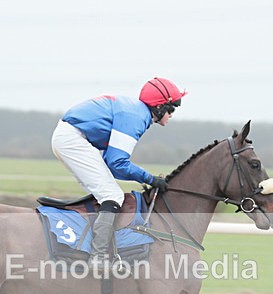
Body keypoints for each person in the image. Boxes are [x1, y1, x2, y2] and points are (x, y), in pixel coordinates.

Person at [51, 77, 187, 267]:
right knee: (111, 195)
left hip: (70, 137)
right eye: (171, 108)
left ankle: (90, 244)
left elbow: (112, 164)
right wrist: (150, 179)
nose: (172, 114)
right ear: (159, 107)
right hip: (72, 139)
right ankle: (98, 257)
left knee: (105, 193)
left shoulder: (136, 112)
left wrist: (146, 179)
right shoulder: (137, 117)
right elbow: (117, 162)